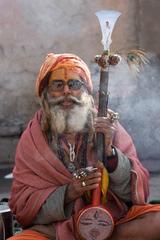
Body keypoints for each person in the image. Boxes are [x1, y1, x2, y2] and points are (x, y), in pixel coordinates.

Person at [8, 53, 160, 240]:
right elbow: (23, 205)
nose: (66, 91)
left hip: (110, 225)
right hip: (56, 232)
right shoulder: (33, 138)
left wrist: (110, 154)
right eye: (57, 85)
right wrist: (69, 193)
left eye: (74, 84)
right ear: (46, 93)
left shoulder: (106, 125)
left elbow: (137, 193)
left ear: (86, 92)